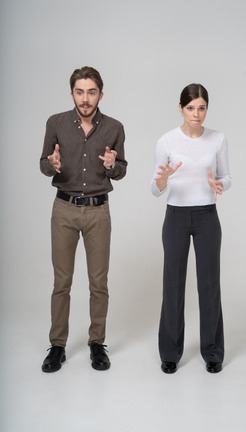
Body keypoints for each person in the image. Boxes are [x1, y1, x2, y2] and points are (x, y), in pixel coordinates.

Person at [40, 66, 127, 373]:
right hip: (63, 209)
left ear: (100, 94)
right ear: (72, 93)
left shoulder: (114, 127)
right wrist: (52, 164)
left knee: (98, 283)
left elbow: (122, 168)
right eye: (80, 91)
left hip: (97, 212)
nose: (85, 98)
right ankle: (58, 345)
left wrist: (112, 165)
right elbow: (43, 164)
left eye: (91, 92)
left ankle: (96, 343)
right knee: (61, 282)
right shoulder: (56, 123)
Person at [151, 83, 231, 374]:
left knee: (209, 284)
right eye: (190, 108)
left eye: (202, 108)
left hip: (208, 215)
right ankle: (170, 352)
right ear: (181, 108)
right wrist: (162, 182)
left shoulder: (218, 139)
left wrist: (219, 185)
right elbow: (155, 187)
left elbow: (227, 176)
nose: (196, 114)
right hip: (176, 216)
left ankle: (213, 352)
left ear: (207, 108)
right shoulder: (167, 141)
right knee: (173, 284)